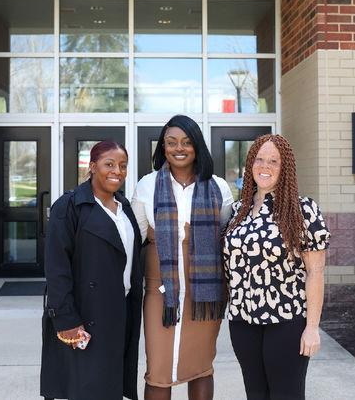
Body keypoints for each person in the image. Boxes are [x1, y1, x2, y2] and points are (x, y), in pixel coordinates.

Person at [131, 115, 234, 400]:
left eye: (187, 142)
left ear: (197, 146)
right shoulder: (147, 186)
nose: (179, 148)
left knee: (200, 366)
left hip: (206, 294)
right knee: (159, 369)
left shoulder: (219, 187)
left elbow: (224, 237)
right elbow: (133, 238)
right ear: (163, 147)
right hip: (160, 292)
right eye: (172, 142)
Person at [222, 134, 330, 400]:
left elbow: (315, 272)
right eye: (259, 159)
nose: (265, 166)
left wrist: (312, 327)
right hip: (243, 321)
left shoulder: (303, 210)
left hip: (286, 321)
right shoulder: (238, 211)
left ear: (285, 168)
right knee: (256, 394)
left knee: (286, 395)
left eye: (273, 161)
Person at [41, 140, 144, 400]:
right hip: (85, 314)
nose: (117, 171)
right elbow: (57, 268)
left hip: (120, 310)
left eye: (123, 166)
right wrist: (65, 320)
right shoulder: (70, 206)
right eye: (109, 164)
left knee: (110, 385)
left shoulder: (124, 208)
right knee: (86, 387)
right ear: (92, 166)